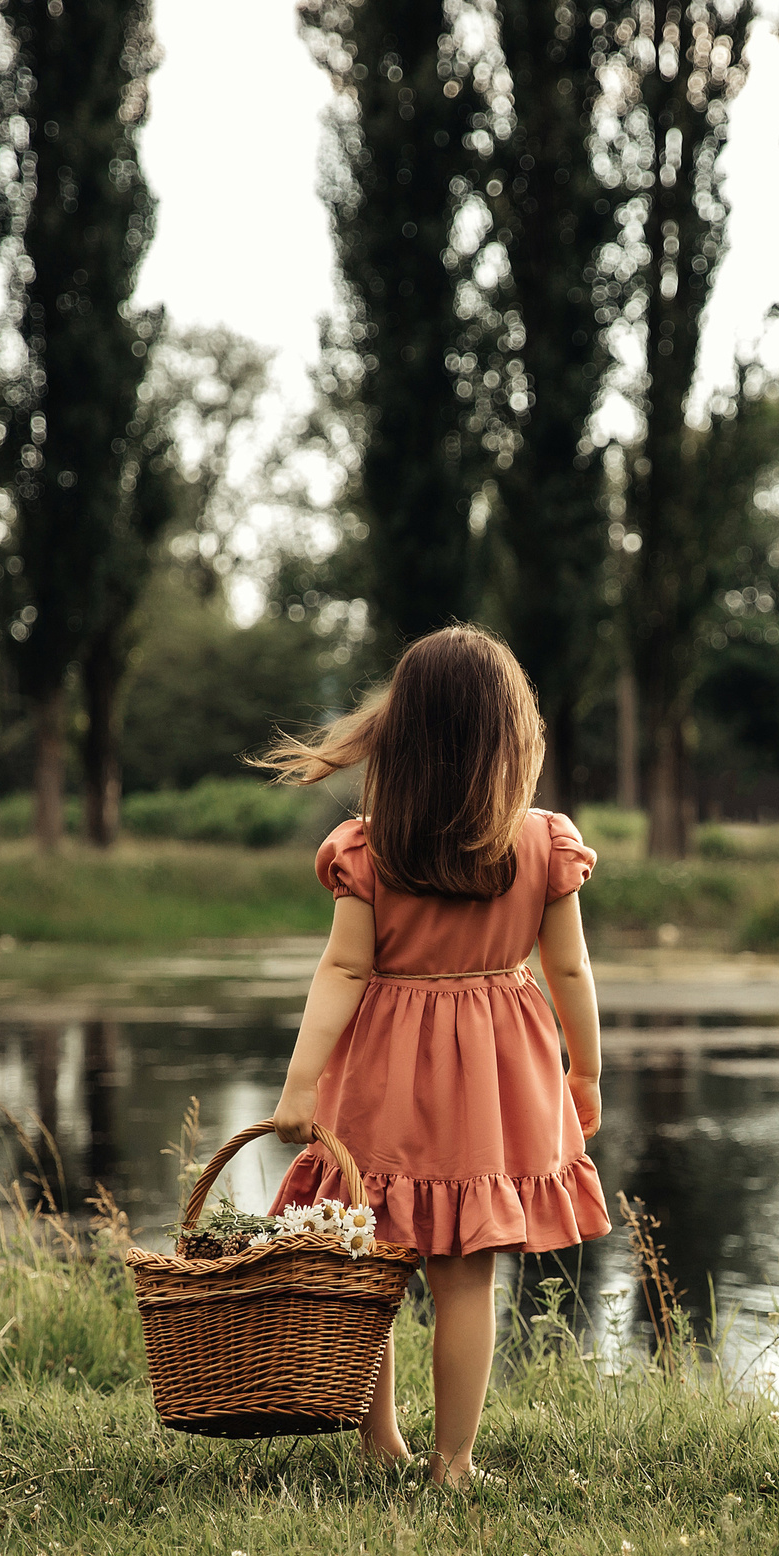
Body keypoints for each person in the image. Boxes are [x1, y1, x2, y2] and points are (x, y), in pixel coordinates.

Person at [251, 625, 610, 1480]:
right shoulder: (540, 843)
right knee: (465, 1282)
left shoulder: (371, 850)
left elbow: (342, 969)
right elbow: (569, 965)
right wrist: (586, 1067)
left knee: (371, 1266)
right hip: (490, 1088)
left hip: (384, 1080)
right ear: (511, 741)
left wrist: (299, 1086)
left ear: (400, 736)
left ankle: (381, 1443)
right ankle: (454, 1460)